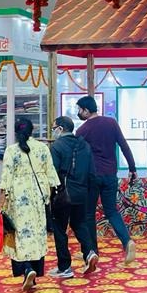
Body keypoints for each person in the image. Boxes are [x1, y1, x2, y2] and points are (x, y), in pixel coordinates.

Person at [75, 95, 138, 264]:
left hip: (92, 176)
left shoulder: (82, 131)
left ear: (86, 110)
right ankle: (127, 241)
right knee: (112, 211)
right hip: (110, 174)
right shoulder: (111, 123)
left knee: (89, 214)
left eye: (79, 109)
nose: (78, 112)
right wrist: (132, 168)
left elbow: (78, 156)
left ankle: (92, 252)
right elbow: (124, 146)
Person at [0, 117, 58, 293]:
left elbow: (5, 179)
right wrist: (48, 196)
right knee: (37, 234)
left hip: (18, 197)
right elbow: (52, 175)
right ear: (32, 130)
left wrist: (0, 204)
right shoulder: (42, 148)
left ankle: (26, 269)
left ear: (16, 132)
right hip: (39, 196)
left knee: (20, 234)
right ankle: (34, 270)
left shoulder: (11, 151)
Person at [47, 116, 99, 279]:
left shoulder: (57, 146)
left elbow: (53, 173)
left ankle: (65, 267)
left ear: (60, 129)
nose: (53, 131)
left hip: (63, 194)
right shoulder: (85, 145)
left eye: (54, 128)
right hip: (82, 192)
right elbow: (92, 172)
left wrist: (50, 195)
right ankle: (89, 252)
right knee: (80, 224)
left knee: (59, 229)